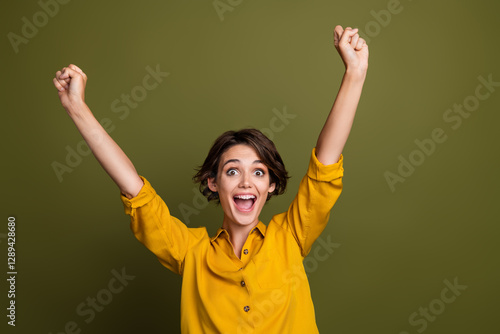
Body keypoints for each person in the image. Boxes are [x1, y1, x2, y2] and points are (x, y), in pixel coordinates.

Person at [53, 25, 368, 333]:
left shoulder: (292, 236)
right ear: (213, 182)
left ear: (271, 185)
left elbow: (324, 166)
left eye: (258, 172)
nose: (246, 182)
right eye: (232, 171)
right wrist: (76, 107)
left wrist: (354, 73)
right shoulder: (191, 252)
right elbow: (134, 189)